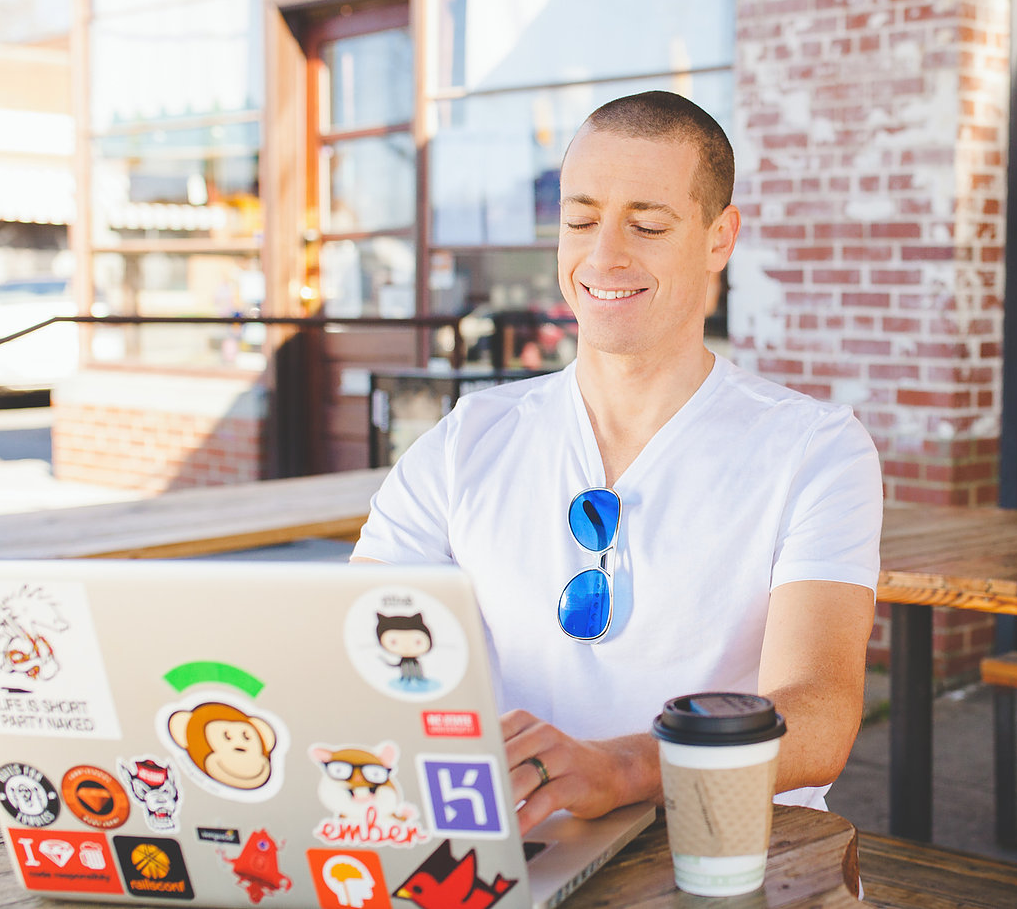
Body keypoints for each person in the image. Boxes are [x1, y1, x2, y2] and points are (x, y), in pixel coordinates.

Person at [351, 91, 882, 833]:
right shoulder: (469, 438)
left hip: (724, 854)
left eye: (647, 224)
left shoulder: (813, 448)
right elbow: (356, 646)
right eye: (580, 220)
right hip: (519, 847)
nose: (604, 256)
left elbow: (819, 714)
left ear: (718, 238)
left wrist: (624, 769)